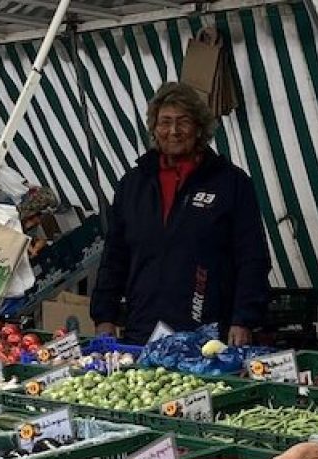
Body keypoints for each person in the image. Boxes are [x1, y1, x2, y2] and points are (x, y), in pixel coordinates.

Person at [91, 82, 271, 346]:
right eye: (165, 122)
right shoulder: (132, 184)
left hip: (208, 334)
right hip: (143, 330)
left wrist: (243, 319)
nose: (173, 131)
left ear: (199, 128)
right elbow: (114, 256)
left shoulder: (231, 183)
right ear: (154, 128)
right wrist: (104, 316)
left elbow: (252, 258)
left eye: (183, 121)